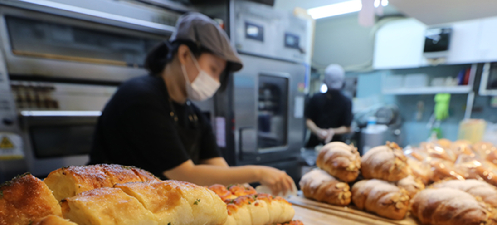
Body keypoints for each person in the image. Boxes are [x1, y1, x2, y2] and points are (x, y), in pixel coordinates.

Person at [89, 13, 295, 195]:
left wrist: (245, 191)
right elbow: (185, 174)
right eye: (213, 69)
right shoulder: (141, 97)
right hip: (105, 205)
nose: (215, 80)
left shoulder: (193, 114)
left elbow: (219, 170)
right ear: (185, 54)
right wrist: (258, 172)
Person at [304, 64, 353, 148]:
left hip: (337, 146)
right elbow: (308, 120)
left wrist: (332, 131)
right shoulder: (316, 98)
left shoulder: (346, 102)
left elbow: (348, 127)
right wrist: (318, 131)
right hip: (314, 143)